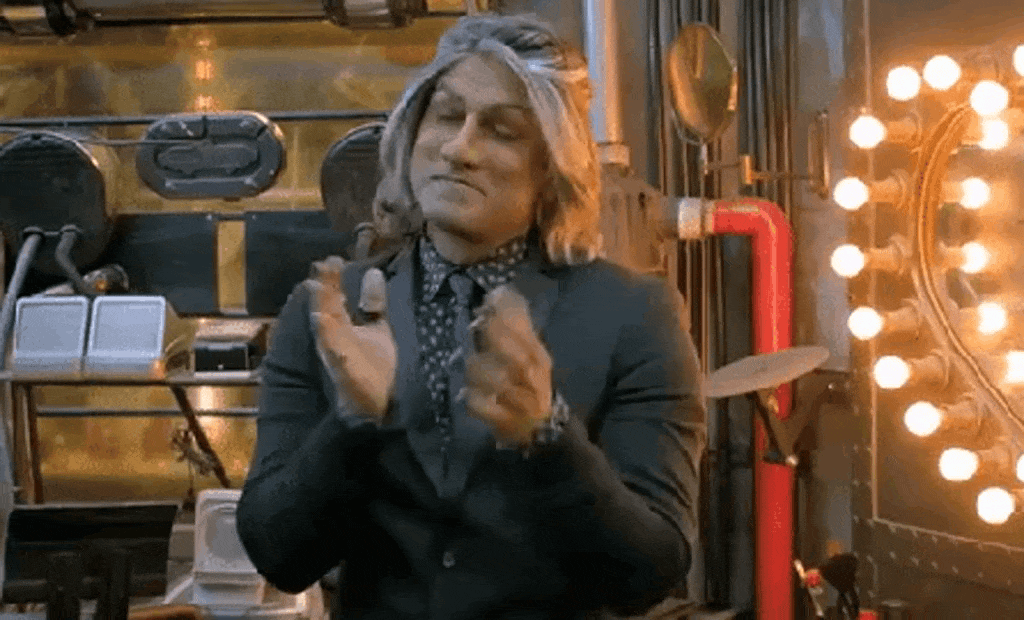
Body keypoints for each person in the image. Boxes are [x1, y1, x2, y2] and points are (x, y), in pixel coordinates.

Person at [236, 13, 706, 620]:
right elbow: (278, 555)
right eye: (447, 116)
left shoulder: (632, 315)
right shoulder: (327, 311)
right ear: (412, 133)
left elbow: (653, 573)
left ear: (551, 166)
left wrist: (549, 439)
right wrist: (353, 425)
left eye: (502, 131)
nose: (459, 149)